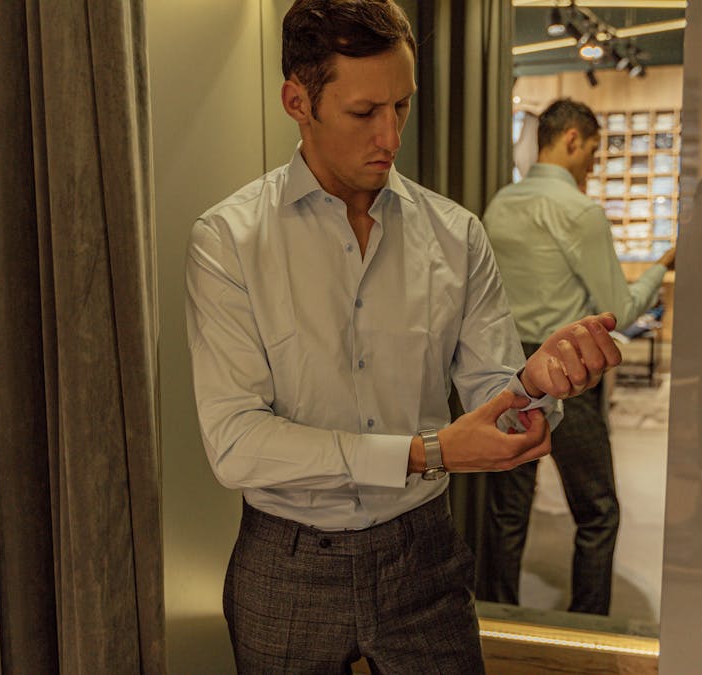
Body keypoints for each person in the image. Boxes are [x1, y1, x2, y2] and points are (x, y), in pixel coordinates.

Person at [185, 3, 625, 671]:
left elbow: (499, 407)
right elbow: (236, 443)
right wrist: (426, 453)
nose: (390, 135)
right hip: (286, 565)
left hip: (422, 556)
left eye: (402, 105)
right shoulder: (229, 240)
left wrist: (535, 383)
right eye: (365, 112)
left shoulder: (456, 235)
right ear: (297, 102)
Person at [478, 98, 676, 615]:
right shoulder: (579, 211)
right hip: (566, 371)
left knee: (507, 510)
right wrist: (662, 266)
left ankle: (499, 622)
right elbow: (620, 309)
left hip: (506, 370)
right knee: (597, 511)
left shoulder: (500, 204)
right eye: (591, 151)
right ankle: (589, 627)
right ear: (571, 140)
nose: (592, 165)